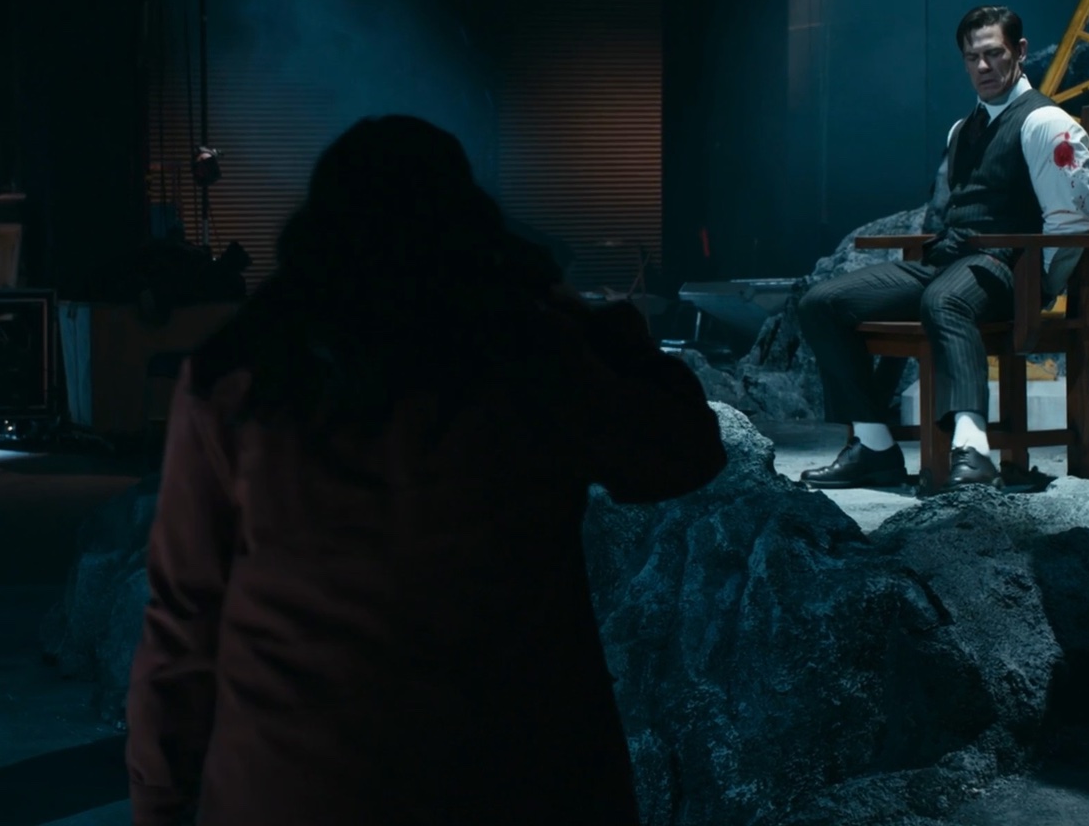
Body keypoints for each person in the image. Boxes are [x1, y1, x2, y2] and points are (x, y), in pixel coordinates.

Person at [124, 115, 727, 826]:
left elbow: (185, 618)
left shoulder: (238, 373)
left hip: (292, 784)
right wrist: (584, 317)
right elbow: (684, 452)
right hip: (514, 782)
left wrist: (161, 802)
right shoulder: (531, 353)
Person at [796, 5, 1089, 491]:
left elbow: (1073, 222)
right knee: (821, 303)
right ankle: (874, 447)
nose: (982, 66)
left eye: (994, 54)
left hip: (1008, 270)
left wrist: (1038, 289)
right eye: (972, 58)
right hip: (950, 263)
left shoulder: (1045, 123)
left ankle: (972, 449)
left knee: (944, 301)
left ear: (1019, 51)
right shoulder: (962, 130)